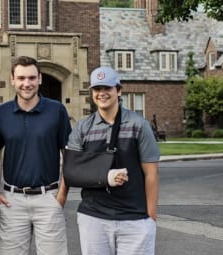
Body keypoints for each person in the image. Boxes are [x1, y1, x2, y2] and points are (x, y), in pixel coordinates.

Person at [67, 66, 160, 255]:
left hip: (134, 217)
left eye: (107, 88)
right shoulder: (82, 128)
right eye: (97, 89)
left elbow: (151, 174)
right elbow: (72, 172)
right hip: (94, 217)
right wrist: (106, 176)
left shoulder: (138, 125)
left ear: (118, 90)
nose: (102, 94)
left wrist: (150, 216)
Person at [0, 56, 72, 255]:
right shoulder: (1, 113)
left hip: (48, 198)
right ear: (12, 80)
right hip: (12, 200)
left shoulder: (57, 110)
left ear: (40, 79)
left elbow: (68, 153)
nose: (27, 84)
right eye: (22, 78)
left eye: (32, 78)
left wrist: (62, 194)